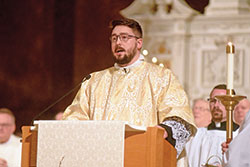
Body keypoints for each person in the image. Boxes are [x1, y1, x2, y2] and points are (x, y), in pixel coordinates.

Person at [63, 18, 196, 167]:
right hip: (99, 159)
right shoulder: (94, 81)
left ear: (139, 43)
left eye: (124, 37)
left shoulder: (161, 77)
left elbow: (179, 115)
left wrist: (164, 130)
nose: (118, 43)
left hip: (144, 158)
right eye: (114, 38)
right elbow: (74, 118)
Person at [185, 84, 239, 167]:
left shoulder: (240, 136)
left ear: (232, 104)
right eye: (213, 101)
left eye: (222, 101)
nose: (216, 105)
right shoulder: (196, 135)